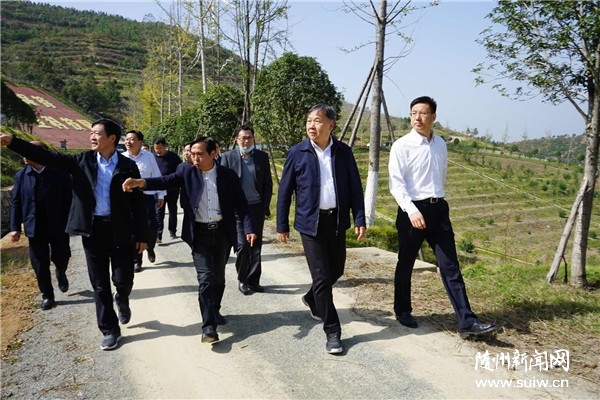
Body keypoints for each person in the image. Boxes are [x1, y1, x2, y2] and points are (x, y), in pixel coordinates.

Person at [1, 119, 147, 351]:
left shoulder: (128, 166)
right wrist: (13, 142)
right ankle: (110, 330)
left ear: (112, 138)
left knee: (123, 279)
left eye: (96, 133)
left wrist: (142, 235)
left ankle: (122, 296)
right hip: (93, 230)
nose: (92, 137)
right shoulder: (81, 161)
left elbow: (138, 203)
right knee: (99, 284)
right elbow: (47, 156)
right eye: (90, 133)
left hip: (120, 231)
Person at [123, 137, 256, 344]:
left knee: (219, 278)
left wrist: (249, 229)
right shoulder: (187, 171)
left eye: (200, 154)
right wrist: (142, 182)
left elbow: (241, 205)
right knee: (205, 278)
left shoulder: (227, 176)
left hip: (222, 233)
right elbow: (166, 180)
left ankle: (215, 309)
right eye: (192, 154)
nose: (195, 158)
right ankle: (208, 327)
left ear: (213, 154)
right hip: (199, 234)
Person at [388, 96, 498, 338]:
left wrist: (435, 203)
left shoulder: (440, 144)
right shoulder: (402, 146)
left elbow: (441, 176)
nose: (417, 118)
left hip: (438, 210)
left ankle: (467, 322)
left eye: (423, 113)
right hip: (411, 211)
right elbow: (396, 184)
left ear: (433, 117)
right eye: (413, 113)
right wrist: (412, 210)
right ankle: (402, 310)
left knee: (450, 266)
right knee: (406, 263)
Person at [277, 104, 366, 355]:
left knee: (336, 270)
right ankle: (333, 331)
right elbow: (285, 191)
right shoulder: (297, 152)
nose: (311, 125)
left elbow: (355, 188)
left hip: (336, 222)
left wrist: (359, 218)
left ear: (331, 125)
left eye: (317, 121)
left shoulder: (343, 152)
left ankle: (312, 298)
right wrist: (282, 224)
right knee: (321, 278)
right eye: (309, 121)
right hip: (310, 224)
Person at [9, 141, 72, 310]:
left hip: (58, 225)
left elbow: (70, 200)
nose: (24, 155)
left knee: (62, 256)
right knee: (39, 264)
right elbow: (16, 202)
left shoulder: (60, 174)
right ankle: (47, 295)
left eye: (29, 151)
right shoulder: (22, 175)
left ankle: (61, 272)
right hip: (34, 227)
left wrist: (72, 222)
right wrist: (15, 227)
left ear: (42, 154)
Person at [221, 125, 273, 295]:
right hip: (236, 210)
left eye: (249, 138)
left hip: (256, 207)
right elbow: (222, 185)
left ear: (253, 139)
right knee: (242, 245)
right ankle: (242, 278)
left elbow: (267, 184)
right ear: (237, 140)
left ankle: (254, 280)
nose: (246, 141)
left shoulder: (261, 157)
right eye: (243, 138)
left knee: (256, 246)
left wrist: (264, 206)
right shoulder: (228, 158)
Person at [123, 130, 166, 272]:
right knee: (134, 227)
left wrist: (161, 194)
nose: (128, 142)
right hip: (129, 198)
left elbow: (157, 176)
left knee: (151, 226)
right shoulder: (121, 158)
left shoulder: (149, 157)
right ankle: (137, 260)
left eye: (132, 139)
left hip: (147, 197)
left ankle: (150, 247)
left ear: (140, 142)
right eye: (127, 139)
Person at [153, 137, 182, 242]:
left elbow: (179, 172)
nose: (158, 151)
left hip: (172, 189)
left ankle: (172, 231)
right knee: (159, 212)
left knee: (172, 210)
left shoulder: (174, 157)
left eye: (160, 148)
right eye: (156, 148)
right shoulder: (152, 158)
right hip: (158, 189)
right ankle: (158, 235)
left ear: (165, 146)